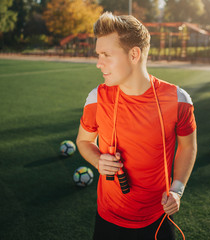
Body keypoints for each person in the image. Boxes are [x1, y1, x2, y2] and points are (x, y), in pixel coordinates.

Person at [76, 12, 197, 240]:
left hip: (157, 219)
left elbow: (188, 147)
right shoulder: (96, 98)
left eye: (106, 55)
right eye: (98, 55)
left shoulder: (178, 100)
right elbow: (83, 141)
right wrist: (97, 161)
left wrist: (177, 190)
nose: (98, 63)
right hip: (108, 217)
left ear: (134, 54)